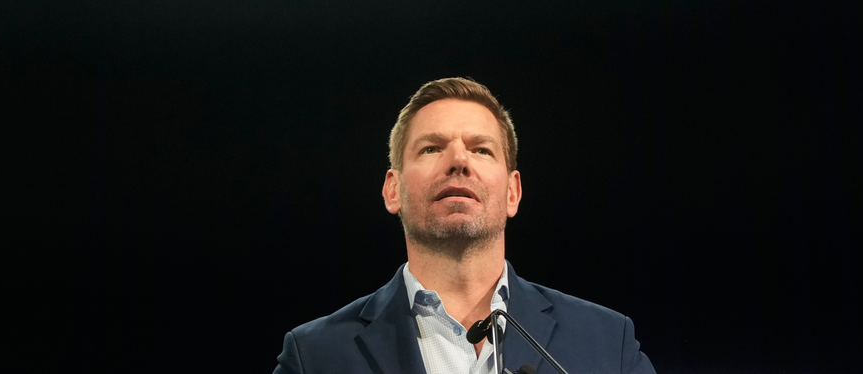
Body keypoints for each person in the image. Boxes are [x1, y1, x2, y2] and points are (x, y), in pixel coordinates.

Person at [273, 77, 656, 374]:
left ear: (512, 192)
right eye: (431, 148)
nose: (458, 160)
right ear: (393, 190)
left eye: (481, 149)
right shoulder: (316, 355)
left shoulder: (608, 342)